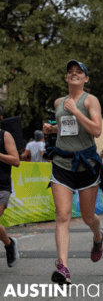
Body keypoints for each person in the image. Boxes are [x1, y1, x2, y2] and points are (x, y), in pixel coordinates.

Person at [43, 60, 103, 285]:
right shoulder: (59, 102)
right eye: (70, 72)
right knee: (62, 215)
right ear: (66, 78)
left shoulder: (90, 100)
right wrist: (53, 129)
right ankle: (63, 267)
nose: (74, 74)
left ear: (85, 79)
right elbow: (68, 127)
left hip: (87, 164)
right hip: (62, 163)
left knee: (88, 216)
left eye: (78, 72)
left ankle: (98, 237)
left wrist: (76, 111)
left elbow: (97, 130)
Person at [0, 107, 21, 267]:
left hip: (1, 186)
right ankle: (9, 244)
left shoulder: (5, 136)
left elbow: (16, 160)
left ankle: (9, 245)